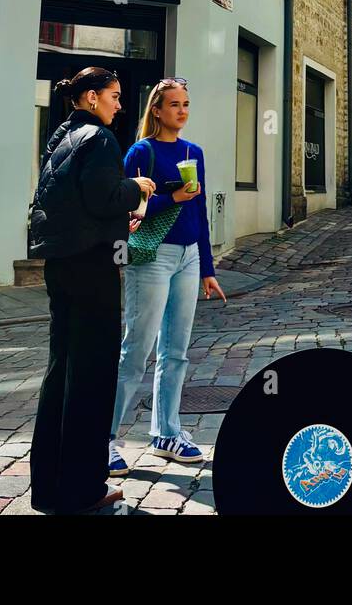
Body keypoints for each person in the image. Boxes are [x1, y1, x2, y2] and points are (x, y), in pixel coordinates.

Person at [29, 67, 155, 516]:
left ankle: (48, 488)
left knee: (60, 372)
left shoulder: (60, 137)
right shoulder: (99, 139)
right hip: (92, 268)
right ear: (90, 97)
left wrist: (121, 220)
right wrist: (135, 188)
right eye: (115, 96)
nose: (120, 105)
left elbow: (74, 202)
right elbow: (104, 197)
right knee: (92, 376)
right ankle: (83, 489)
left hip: (61, 265)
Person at [109, 78, 226, 477]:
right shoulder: (141, 152)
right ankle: (104, 439)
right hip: (152, 257)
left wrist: (207, 268)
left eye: (186, 104)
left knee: (176, 352)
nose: (182, 111)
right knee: (136, 350)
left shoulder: (195, 152)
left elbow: (200, 213)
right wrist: (171, 198)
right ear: (156, 110)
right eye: (174, 104)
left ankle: (166, 433)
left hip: (189, 256)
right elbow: (127, 208)